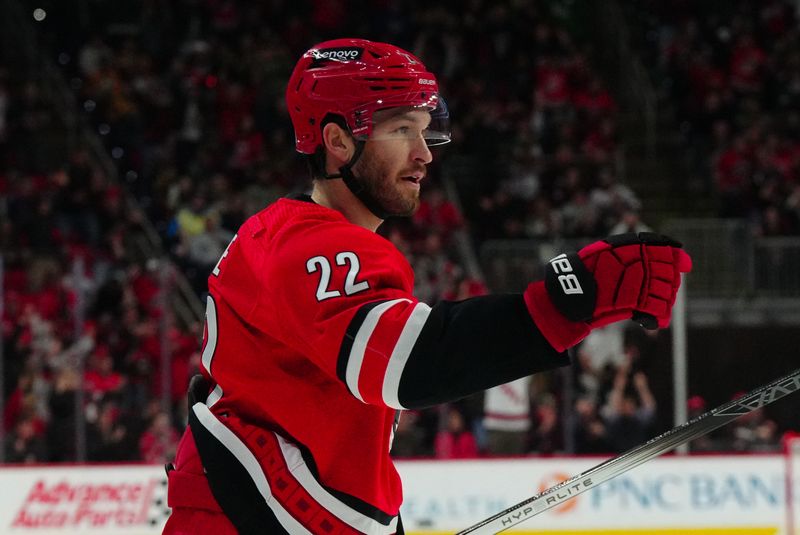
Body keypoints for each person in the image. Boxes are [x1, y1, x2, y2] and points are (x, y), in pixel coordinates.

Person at [163, 38, 692, 534]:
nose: (425, 153)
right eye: (400, 131)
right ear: (337, 141)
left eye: (424, 130)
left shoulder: (284, 233)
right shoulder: (308, 246)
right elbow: (411, 365)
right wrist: (561, 308)